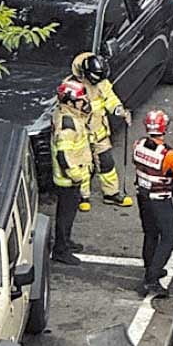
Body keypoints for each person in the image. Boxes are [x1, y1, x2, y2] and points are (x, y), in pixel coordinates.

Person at [132, 110, 173, 297]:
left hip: (143, 196)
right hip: (160, 198)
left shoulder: (138, 145)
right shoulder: (168, 154)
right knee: (168, 237)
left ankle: (150, 267)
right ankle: (152, 278)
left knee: (150, 234)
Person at [67, 52, 133, 212]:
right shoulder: (71, 86)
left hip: (99, 131)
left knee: (107, 163)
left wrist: (120, 110)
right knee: (83, 165)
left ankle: (111, 193)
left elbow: (110, 99)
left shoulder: (102, 83)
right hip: (80, 134)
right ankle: (83, 196)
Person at [50, 80, 95, 266]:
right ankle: (60, 250)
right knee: (65, 215)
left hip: (72, 177)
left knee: (68, 214)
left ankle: (66, 242)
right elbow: (64, 155)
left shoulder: (70, 115)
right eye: (79, 101)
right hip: (68, 180)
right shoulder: (68, 124)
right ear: (69, 102)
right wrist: (76, 175)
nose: (83, 103)